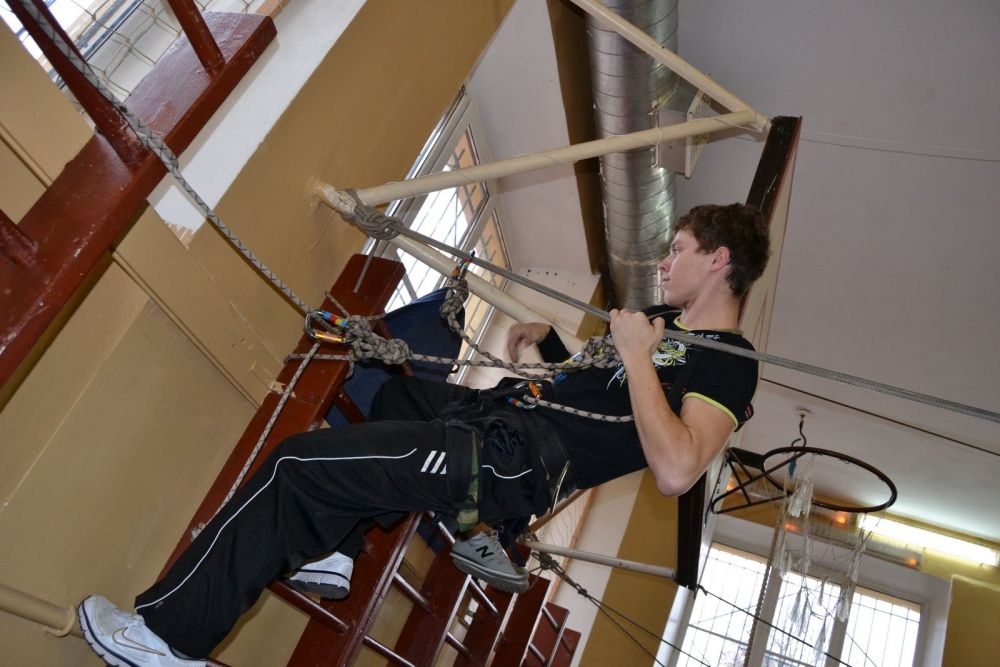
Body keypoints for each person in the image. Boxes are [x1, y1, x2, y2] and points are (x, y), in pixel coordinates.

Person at [78, 203, 770, 666]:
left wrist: (639, 357)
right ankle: (337, 549)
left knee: (297, 466)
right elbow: (603, 396)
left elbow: (676, 467)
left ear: (719, 260)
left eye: (678, 250)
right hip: (500, 416)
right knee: (400, 390)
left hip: (512, 460)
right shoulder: (660, 322)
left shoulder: (730, 362)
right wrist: (555, 342)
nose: (663, 262)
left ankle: (166, 639)